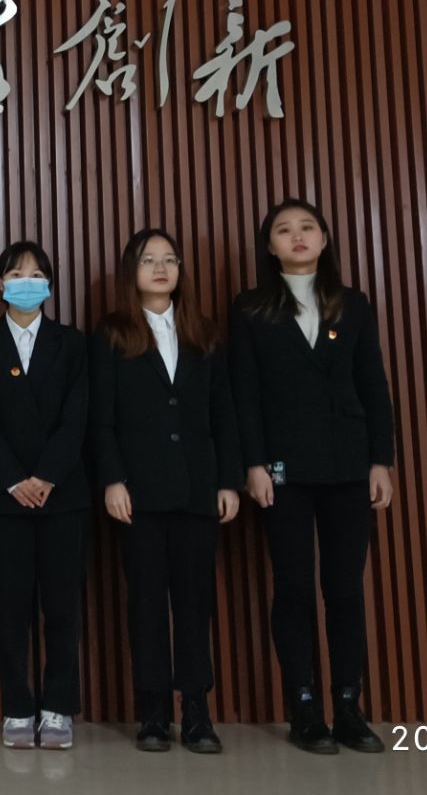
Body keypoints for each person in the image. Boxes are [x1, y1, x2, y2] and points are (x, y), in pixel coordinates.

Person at [229, 198, 396, 755]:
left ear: (324, 239)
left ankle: (348, 705)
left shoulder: (353, 303)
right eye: (283, 229)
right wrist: (253, 463)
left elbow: (373, 383)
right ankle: (303, 707)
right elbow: (244, 392)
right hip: (283, 470)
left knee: (345, 589)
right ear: (269, 246)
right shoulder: (251, 307)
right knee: (295, 587)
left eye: (307, 227)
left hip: (348, 464)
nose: (297, 236)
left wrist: (380, 460)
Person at [90, 228, 240, 753]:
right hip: (139, 491)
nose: (161, 268)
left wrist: (228, 480)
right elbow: (101, 417)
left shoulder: (205, 332)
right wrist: (112, 478)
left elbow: (224, 414)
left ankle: (197, 711)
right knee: (147, 603)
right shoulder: (112, 333)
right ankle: (152, 711)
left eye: (170, 259)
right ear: (131, 271)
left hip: (198, 488)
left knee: (195, 603)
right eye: (149, 259)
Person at [0, 240, 88, 751]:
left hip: (64, 495)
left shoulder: (72, 343)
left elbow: (78, 415)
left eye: (37, 274)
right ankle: (16, 705)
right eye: (16, 274)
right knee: (10, 607)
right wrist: (15, 479)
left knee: (62, 606)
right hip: (5, 497)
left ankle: (58, 706)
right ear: (0, 284)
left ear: (50, 284)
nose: (27, 282)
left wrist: (48, 475)